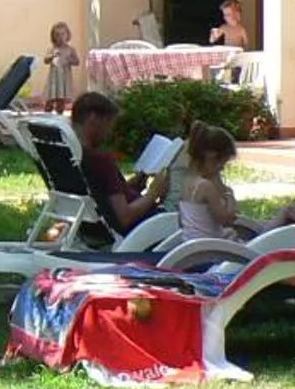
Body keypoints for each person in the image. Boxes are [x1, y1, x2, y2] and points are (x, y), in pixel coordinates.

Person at [73, 91, 165, 234]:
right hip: (140, 229)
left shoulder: (73, 155)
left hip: (93, 226)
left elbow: (104, 196)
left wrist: (130, 186)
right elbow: (124, 217)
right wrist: (153, 193)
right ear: (93, 118)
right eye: (108, 125)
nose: (109, 132)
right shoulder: (101, 161)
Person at [172, 123, 246, 239]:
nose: (222, 168)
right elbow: (227, 220)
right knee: (236, 234)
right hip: (210, 247)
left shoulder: (186, 182)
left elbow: (181, 222)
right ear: (211, 157)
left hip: (189, 246)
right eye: (223, 163)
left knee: (230, 233)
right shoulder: (206, 186)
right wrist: (229, 195)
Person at [42, 20, 82, 107]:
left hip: (64, 77)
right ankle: (47, 113)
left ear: (67, 35)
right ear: (53, 37)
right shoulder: (52, 49)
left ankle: (59, 114)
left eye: (63, 34)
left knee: (61, 99)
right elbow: (45, 60)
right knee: (50, 98)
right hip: (54, 78)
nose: (60, 37)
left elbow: (77, 62)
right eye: (57, 35)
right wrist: (52, 56)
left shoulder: (70, 49)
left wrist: (69, 59)